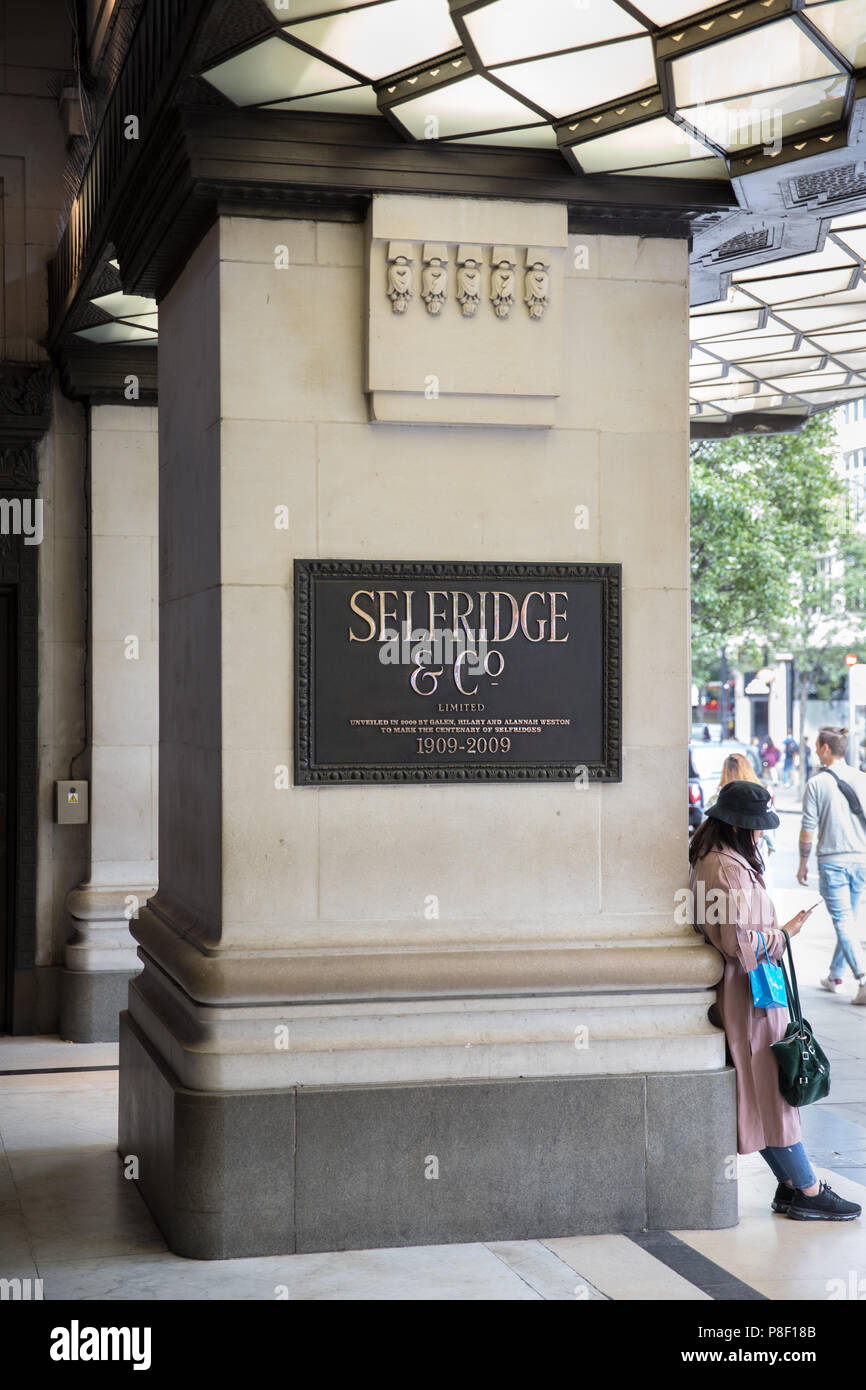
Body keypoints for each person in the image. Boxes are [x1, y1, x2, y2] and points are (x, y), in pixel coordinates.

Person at [690, 780, 861, 1220]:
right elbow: (738, 943)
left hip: (749, 992)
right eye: (757, 828)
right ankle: (807, 1188)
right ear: (739, 827)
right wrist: (785, 933)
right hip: (751, 995)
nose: (761, 834)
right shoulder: (726, 869)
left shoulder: (714, 859)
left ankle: (789, 1186)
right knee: (775, 1090)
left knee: (765, 1089)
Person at [798, 727, 866, 1003]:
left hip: (832, 862)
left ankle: (862, 978)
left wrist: (803, 862)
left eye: (817, 746)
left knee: (842, 921)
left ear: (826, 748)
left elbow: (807, 829)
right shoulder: (862, 779)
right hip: (861, 860)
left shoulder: (816, 783)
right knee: (848, 919)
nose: (815, 750)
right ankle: (836, 974)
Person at [705, 753, 776, 880]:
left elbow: (706, 829)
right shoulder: (761, 798)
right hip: (756, 868)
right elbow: (771, 842)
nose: (761, 834)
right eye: (760, 830)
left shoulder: (716, 800)